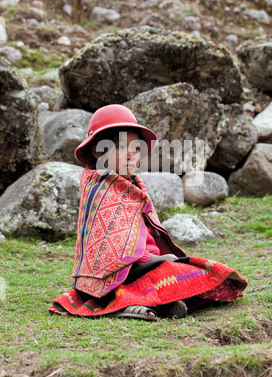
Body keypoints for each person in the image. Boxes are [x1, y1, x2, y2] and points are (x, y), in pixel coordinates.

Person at [50, 105, 248, 321]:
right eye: (121, 146)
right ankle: (128, 304)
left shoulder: (133, 185)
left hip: (148, 266)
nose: (131, 155)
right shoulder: (99, 187)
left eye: (136, 148)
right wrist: (155, 259)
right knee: (169, 273)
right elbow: (111, 247)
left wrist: (163, 259)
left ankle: (152, 303)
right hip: (118, 274)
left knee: (211, 275)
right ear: (99, 151)